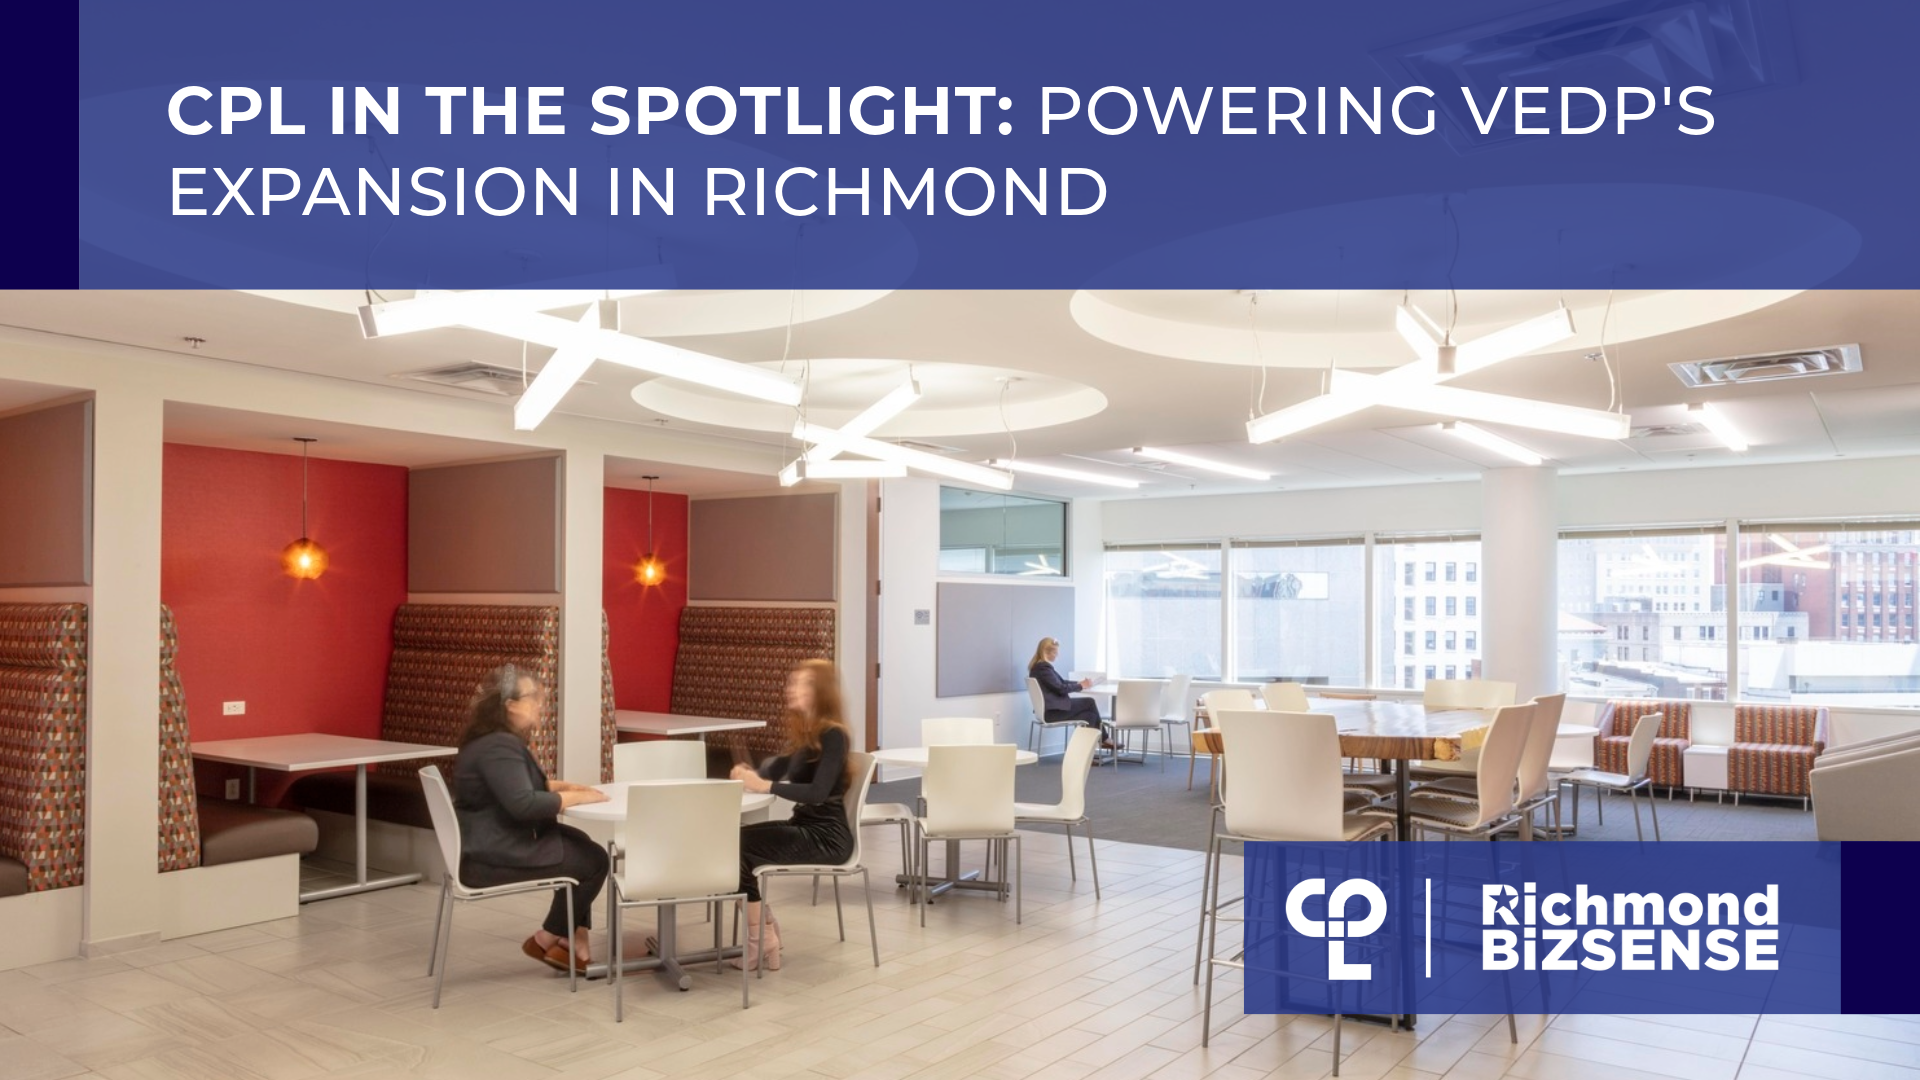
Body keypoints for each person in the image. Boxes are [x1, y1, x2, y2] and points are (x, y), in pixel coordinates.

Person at [452, 664, 611, 974]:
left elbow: (513, 788)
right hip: (491, 857)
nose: (540, 703)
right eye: (533, 697)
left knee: (580, 843)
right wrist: (578, 798)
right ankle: (547, 938)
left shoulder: (488, 741)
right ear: (511, 705)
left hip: (487, 843)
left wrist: (565, 787)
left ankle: (573, 943)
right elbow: (524, 804)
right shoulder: (498, 746)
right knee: (594, 861)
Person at [726, 658, 855, 971]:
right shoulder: (807, 735)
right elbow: (774, 769)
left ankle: (760, 939)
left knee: (734, 848)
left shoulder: (833, 736)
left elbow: (817, 793)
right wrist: (750, 774)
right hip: (806, 827)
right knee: (728, 843)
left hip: (827, 838)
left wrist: (765, 785)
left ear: (821, 692)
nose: (793, 688)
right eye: (794, 682)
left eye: (803, 683)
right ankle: (765, 930)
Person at [1028, 637, 1109, 748]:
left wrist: (1080, 683)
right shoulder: (1043, 668)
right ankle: (1104, 739)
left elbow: (1060, 682)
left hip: (1049, 711)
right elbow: (1061, 688)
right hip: (1052, 713)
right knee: (1089, 702)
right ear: (1047, 652)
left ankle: (1085, 753)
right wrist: (1081, 686)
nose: (1057, 655)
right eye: (1055, 652)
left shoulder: (1037, 668)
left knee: (1090, 716)